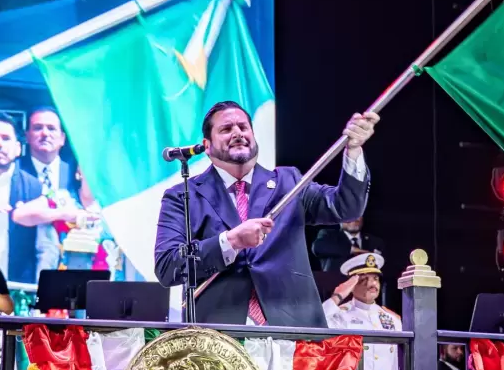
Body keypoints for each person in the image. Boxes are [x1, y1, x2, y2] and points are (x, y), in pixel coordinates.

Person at [154, 101, 378, 326]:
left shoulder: (288, 181)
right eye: (226, 129)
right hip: (220, 337)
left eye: (243, 127)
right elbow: (167, 266)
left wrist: (354, 151)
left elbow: (346, 207)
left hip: (293, 329)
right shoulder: (184, 195)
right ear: (207, 145)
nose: (237, 133)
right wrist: (231, 241)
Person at [0, 113, 73, 284]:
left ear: (18, 148)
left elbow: (44, 247)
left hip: (16, 286)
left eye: (5, 138)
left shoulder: (34, 187)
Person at [18, 107, 77, 197]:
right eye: (38, 128)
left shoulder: (74, 173)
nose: (45, 133)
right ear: (27, 136)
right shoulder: (15, 170)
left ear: (62, 138)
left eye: (51, 128)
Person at [312, 217, 386, 272]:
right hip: (334, 287)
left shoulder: (375, 241)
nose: (353, 219)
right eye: (349, 215)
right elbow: (317, 247)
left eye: (357, 215)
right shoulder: (329, 235)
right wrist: (354, 250)